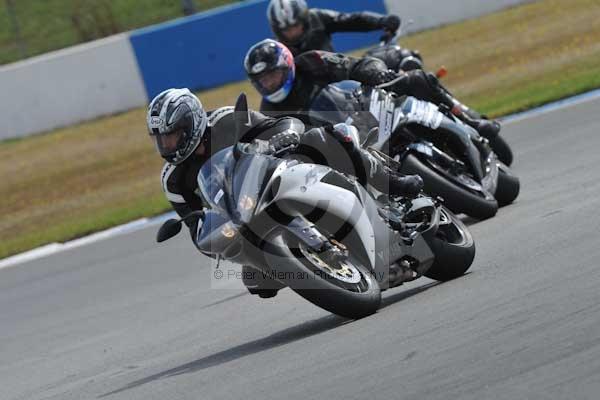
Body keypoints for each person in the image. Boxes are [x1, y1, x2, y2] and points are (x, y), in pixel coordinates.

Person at [147, 88, 423, 298]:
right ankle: (321, 269)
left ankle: (394, 182)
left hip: (277, 171)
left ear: (192, 122)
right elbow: (198, 230)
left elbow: (279, 124)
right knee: (258, 282)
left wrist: (284, 136)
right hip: (243, 215)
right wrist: (214, 238)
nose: (167, 145)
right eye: (160, 139)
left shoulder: (226, 119)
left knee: (324, 138)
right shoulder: (172, 180)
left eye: (172, 136)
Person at [244, 39, 501, 140]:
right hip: (345, 138)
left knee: (418, 80)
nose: (270, 83)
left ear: (286, 66)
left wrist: (376, 73)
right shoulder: (270, 112)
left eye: (273, 74)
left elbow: (354, 64)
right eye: (263, 80)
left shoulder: (311, 62)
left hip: (363, 102)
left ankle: (472, 121)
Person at [266, 0, 422, 71]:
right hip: (309, 97)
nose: (292, 32)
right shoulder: (277, 52)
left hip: (339, 75)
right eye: (286, 29)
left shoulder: (317, 17)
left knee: (392, 60)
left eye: (295, 26)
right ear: (277, 30)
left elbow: (351, 20)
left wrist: (381, 21)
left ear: (304, 19)